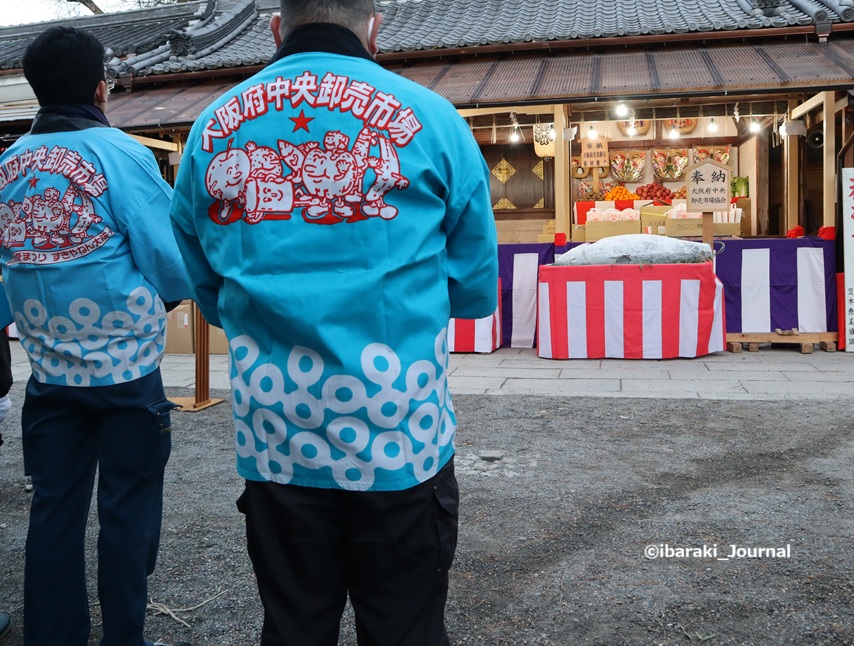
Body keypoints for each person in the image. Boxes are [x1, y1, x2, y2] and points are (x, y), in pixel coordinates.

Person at [170, 0, 499, 643]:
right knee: (404, 626)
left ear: (275, 27)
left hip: (276, 442)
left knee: (294, 625)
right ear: (374, 27)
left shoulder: (211, 129)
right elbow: (471, 289)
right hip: (400, 438)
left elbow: (204, 284)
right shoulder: (434, 119)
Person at [0, 26, 193, 646]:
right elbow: (168, 258)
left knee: (53, 509)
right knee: (128, 505)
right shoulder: (121, 154)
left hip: (48, 372)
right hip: (126, 373)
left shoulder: (6, 166)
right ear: (100, 88)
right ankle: (124, 637)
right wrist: (165, 300)